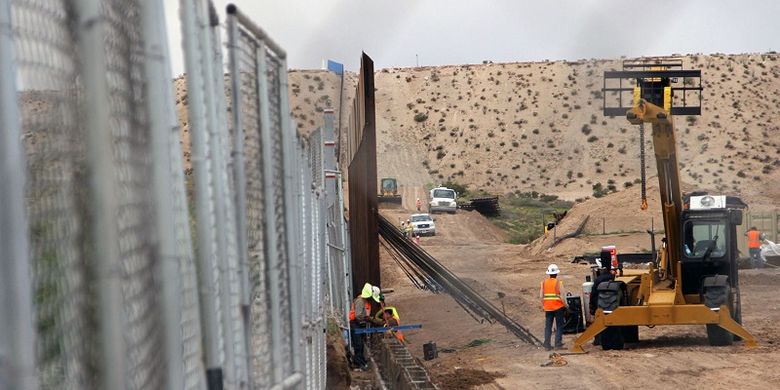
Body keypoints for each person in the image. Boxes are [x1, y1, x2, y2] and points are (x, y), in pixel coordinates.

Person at [349, 283, 381, 370]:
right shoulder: (360, 301)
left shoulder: (365, 301)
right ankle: (358, 363)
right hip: (355, 324)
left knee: (361, 344)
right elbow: (358, 315)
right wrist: (369, 319)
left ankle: (361, 361)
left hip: (359, 324)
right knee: (358, 344)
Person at [540, 264, 568, 350]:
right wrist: (566, 306)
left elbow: (541, 296)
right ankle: (558, 344)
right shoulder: (558, 283)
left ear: (549, 273)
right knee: (559, 326)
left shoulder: (543, 283)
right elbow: (563, 297)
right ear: (556, 274)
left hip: (548, 308)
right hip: (558, 307)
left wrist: (544, 305)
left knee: (548, 326)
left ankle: (547, 345)